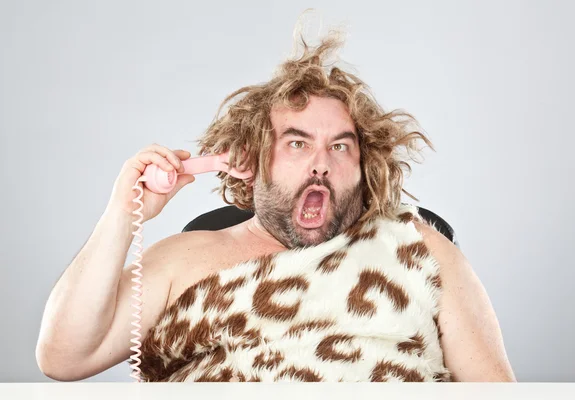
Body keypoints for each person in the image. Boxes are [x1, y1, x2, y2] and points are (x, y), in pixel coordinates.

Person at [35, 26, 516, 383]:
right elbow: (64, 358)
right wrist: (125, 213)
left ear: (365, 163)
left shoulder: (419, 247)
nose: (321, 164)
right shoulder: (182, 258)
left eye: (341, 146)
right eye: (297, 144)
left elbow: (496, 392)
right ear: (250, 157)